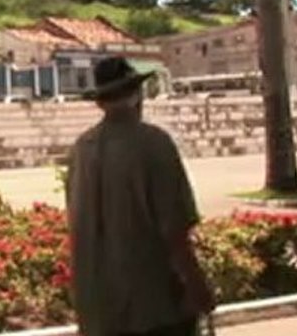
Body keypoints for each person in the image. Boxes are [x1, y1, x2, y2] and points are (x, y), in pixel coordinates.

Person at [66, 57, 215, 336]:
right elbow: (174, 228)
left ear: (100, 102)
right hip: (152, 308)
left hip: (97, 308)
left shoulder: (81, 150)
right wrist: (196, 286)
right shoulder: (153, 143)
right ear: (137, 96)